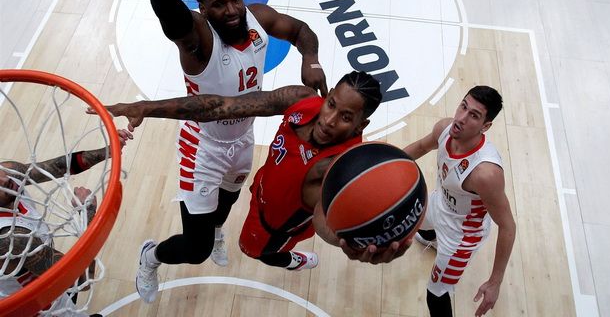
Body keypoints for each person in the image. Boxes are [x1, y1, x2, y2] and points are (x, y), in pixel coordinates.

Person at [101, 71, 410, 303]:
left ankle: (290, 259)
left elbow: (324, 221)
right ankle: (223, 237)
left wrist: (347, 244)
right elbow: (222, 106)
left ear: (360, 126)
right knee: (224, 208)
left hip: (276, 225)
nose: (329, 120)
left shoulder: (341, 167)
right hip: (259, 188)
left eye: (345, 117)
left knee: (257, 252)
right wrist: (146, 107)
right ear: (327, 96)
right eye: (331, 104)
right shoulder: (300, 99)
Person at [147, 0, 328, 268]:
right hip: (203, 145)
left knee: (228, 202)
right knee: (196, 249)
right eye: (219, 5)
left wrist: (312, 58)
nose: (232, 10)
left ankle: (216, 230)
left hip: (243, 137)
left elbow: (300, 30)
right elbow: (165, 3)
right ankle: (151, 256)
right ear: (203, 9)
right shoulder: (198, 39)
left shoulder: (257, 17)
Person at [403, 86, 516, 317]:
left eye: (473, 115)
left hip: (460, 237)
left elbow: (507, 226)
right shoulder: (445, 128)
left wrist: (495, 282)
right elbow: (421, 147)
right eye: (463, 106)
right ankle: (432, 238)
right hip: (439, 204)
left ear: (485, 126)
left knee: (435, 294)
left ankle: (440, 246)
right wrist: (383, 163)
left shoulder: (486, 173)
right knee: (411, 219)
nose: (461, 118)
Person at [0, 129, 132, 316]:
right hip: (42, 310)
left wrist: (107, 151)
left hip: (47, 283)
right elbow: (82, 280)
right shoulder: (10, 238)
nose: (4, 179)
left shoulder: (8, 174)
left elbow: (58, 167)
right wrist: (88, 213)